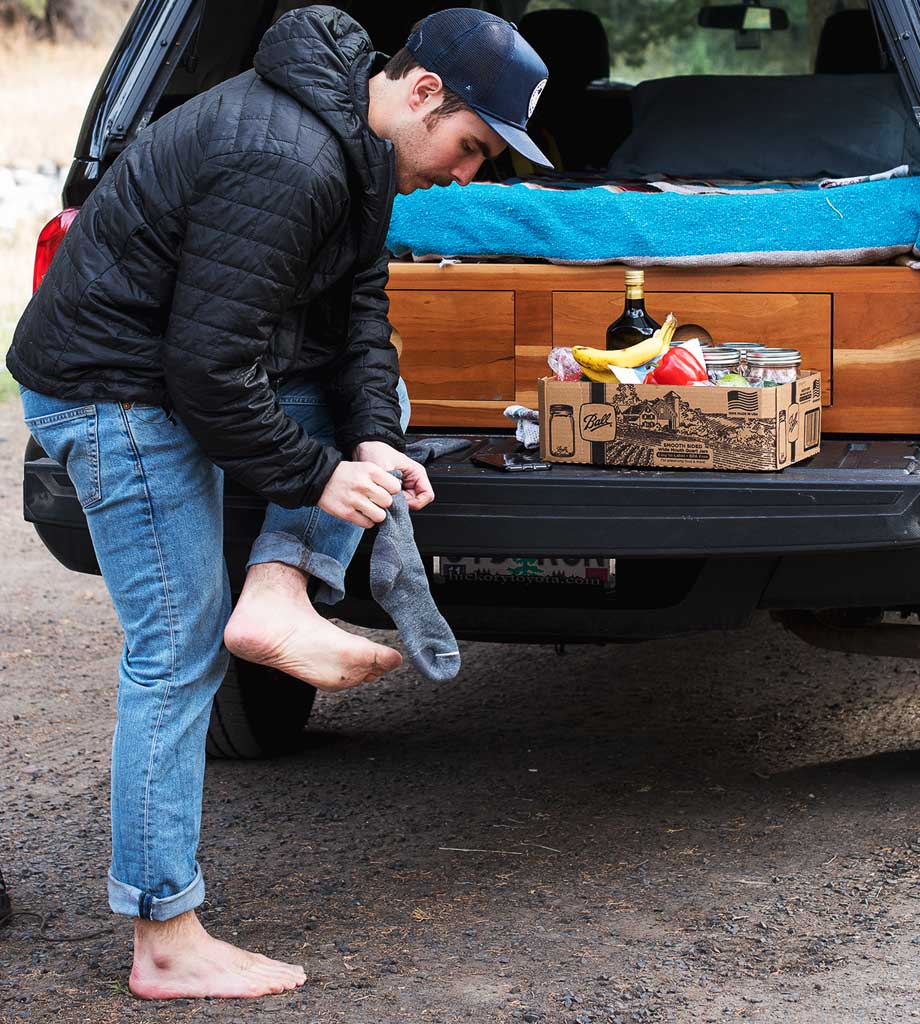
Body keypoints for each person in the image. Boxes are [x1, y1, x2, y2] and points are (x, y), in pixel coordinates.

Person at [6, 6, 550, 1001]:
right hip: (111, 385)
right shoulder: (291, 159)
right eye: (473, 148)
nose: (469, 173)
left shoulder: (360, 153)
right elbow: (208, 373)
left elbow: (356, 321)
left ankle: (278, 592)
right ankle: (164, 935)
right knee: (176, 647)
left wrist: (374, 444)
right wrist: (319, 478)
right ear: (423, 92)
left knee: (371, 410)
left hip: (176, 368)